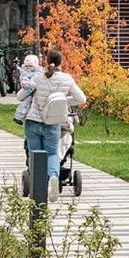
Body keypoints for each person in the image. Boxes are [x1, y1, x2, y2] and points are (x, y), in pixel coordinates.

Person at [18, 49, 86, 201]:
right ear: (61, 62)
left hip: (33, 121)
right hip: (53, 122)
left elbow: (20, 96)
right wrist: (63, 100)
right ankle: (54, 177)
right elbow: (81, 99)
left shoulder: (38, 76)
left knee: (35, 154)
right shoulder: (67, 79)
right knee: (52, 154)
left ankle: (38, 189)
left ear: (46, 61)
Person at [12, 53, 39, 125]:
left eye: (30, 66)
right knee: (25, 102)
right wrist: (25, 83)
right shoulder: (24, 71)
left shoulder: (39, 71)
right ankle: (18, 116)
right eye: (27, 66)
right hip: (28, 89)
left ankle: (21, 116)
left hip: (34, 90)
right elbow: (23, 78)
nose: (28, 67)